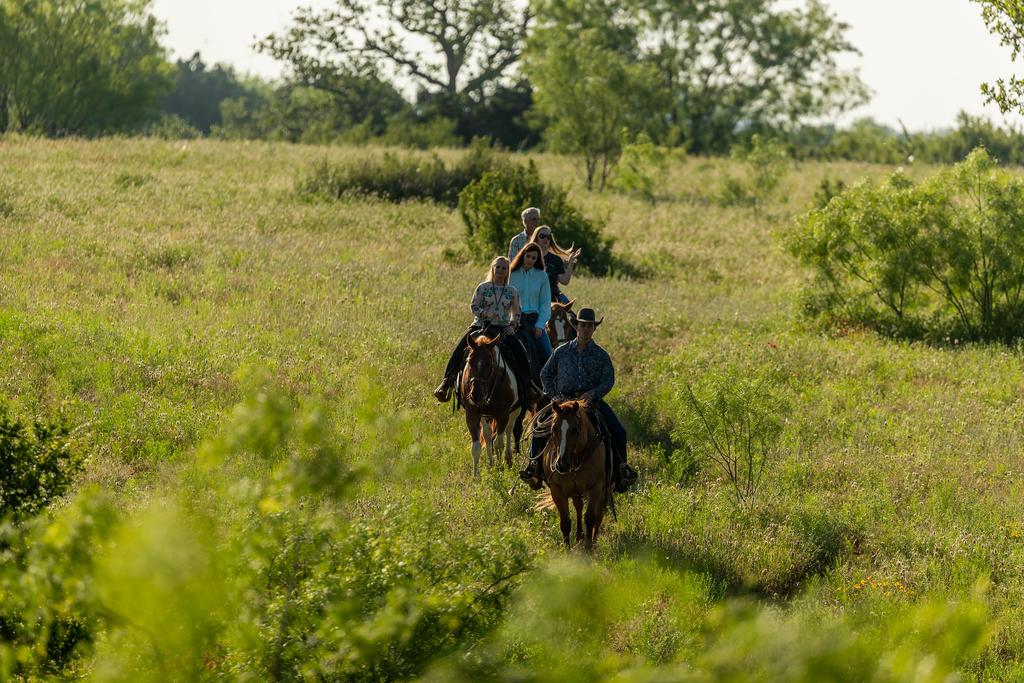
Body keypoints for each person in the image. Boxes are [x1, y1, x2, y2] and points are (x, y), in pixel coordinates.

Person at [519, 307, 639, 493]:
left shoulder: (601, 355)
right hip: (564, 402)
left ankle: (621, 469)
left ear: (594, 329)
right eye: (582, 325)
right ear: (576, 327)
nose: (586, 329)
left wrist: (592, 394)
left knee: (618, 430)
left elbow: (609, 380)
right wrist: (555, 396)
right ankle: (534, 465)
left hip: (591, 403)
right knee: (539, 426)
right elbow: (545, 374)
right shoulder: (561, 351)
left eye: (590, 326)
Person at [433, 257, 532, 404]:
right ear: (493, 268)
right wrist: (485, 314)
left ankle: (528, 387)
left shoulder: (512, 291)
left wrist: (512, 326)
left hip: (502, 328)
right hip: (480, 326)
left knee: (520, 352)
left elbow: (516, 312)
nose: (500, 270)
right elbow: (474, 306)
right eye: (498, 267)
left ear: (507, 272)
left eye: (504, 268)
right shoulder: (483, 287)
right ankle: (446, 382)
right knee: (459, 349)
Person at [509, 242, 552, 370]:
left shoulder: (542, 276)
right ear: (523, 255)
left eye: (534, 258)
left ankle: (550, 388)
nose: (530, 260)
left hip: (534, 321)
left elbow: (545, 303)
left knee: (548, 355)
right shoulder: (511, 274)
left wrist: (539, 325)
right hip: (513, 319)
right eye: (528, 256)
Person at [531, 225, 581, 304]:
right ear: (535, 238)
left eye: (548, 237)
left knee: (571, 315)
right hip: (531, 299)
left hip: (552, 300)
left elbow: (564, 281)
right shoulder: (528, 257)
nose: (545, 239)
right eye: (542, 236)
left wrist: (571, 262)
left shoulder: (556, 260)